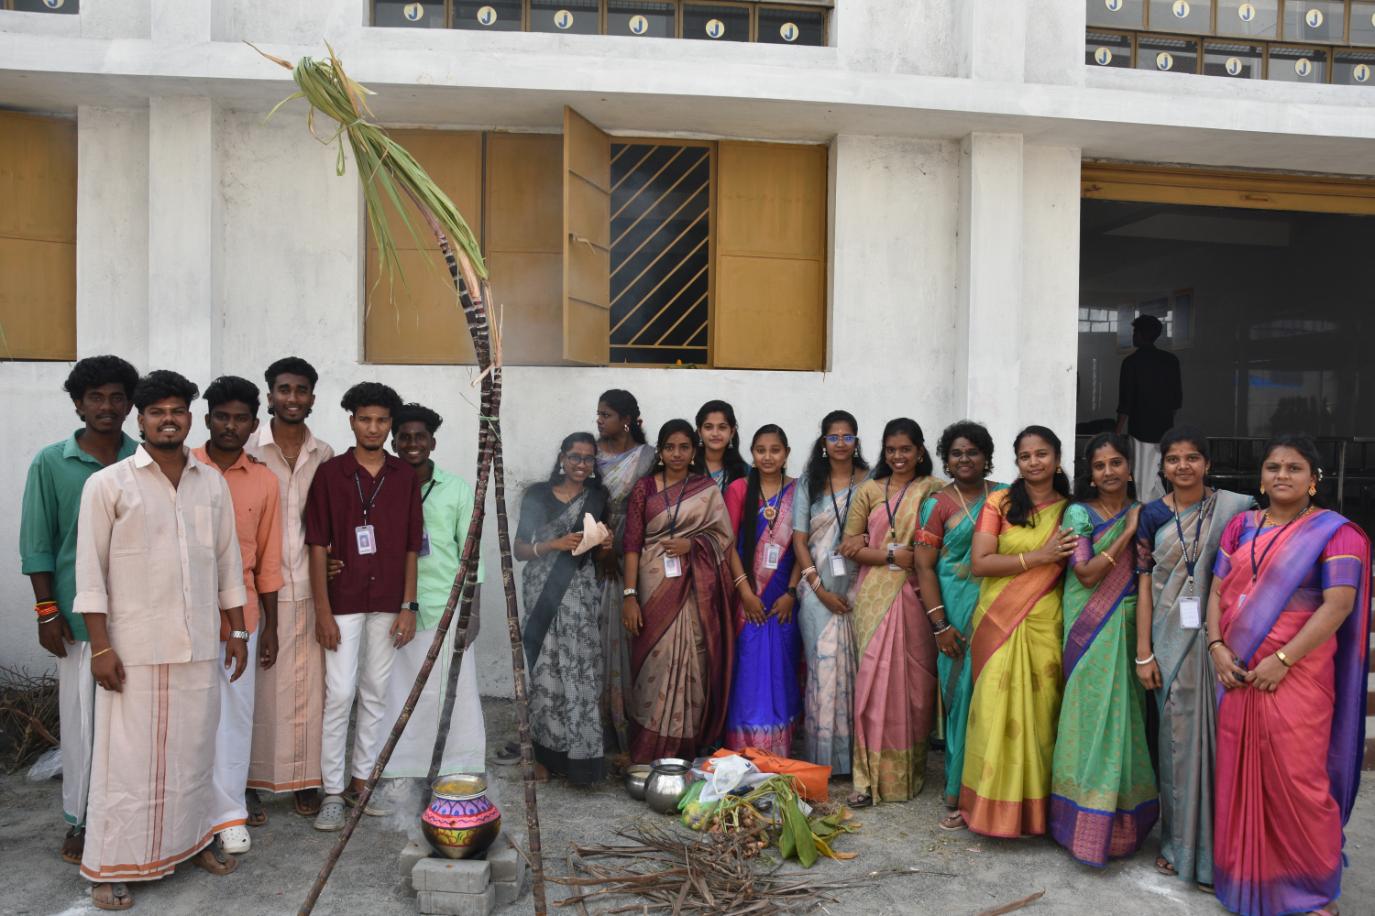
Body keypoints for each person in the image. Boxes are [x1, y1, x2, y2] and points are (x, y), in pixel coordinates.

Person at [75, 370, 249, 909]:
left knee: (193, 754)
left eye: (177, 410)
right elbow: (90, 574)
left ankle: (191, 840)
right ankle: (110, 865)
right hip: (133, 650)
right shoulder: (108, 485)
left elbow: (228, 563)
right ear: (140, 419)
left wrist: (238, 629)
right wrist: (101, 647)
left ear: (189, 418)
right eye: (157, 412)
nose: (168, 419)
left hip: (198, 644)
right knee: (125, 763)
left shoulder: (210, 482)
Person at [1208, 435, 1368, 916]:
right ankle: (1245, 879)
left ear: (1313, 481)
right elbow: (1216, 593)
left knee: (1300, 781)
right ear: (1261, 477)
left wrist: (1282, 661)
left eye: (1295, 468)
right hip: (1237, 671)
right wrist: (1215, 646)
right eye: (1274, 467)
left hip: (1297, 674)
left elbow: (1338, 606)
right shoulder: (1240, 526)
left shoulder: (1337, 532)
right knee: (1240, 777)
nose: (1282, 475)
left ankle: (1314, 891)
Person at [19, 355, 138, 865]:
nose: (106, 407)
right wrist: (47, 611)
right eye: (96, 398)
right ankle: (80, 822)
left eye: (116, 397)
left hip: (138, 617)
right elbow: (38, 542)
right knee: (84, 725)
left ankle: (130, 818)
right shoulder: (53, 461)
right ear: (77, 403)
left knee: (132, 729)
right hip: (75, 618)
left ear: (131, 404)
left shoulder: (146, 457)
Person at [1134, 426, 1254, 887]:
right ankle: (1178, 846)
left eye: (1192, 458)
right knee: (1178, 746)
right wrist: (1144, 652)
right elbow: (1144, 582)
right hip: (1170, 642)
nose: (1183, 466)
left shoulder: (1237, 510)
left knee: (1225, 747)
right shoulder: (1150, 516)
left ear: (1207, 463)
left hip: (1225, 642)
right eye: (1173, 459)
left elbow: (1249, 574)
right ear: (1162, 467)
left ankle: (1227, 848)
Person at [305, 382, 423, 831]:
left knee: (376, 691)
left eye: (381, 420)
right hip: (344, 600)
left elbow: (413, 546)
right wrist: (321, 610)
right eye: (364, 419)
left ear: (390, 425)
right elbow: (317, 544)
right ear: (351, 420)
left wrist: (409, 605)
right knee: (339, 694)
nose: (373, 428)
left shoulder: (404, 477)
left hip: (389, 599)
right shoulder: (331, 473)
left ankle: (363, 781)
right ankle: (332, 790)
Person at [958, 425, 1075, 837]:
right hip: (997, 620)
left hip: (1045, 619)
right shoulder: (1000, 502)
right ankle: (986, 808)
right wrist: (1038, 556)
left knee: (1042, 717)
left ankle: (1036, 814)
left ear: (1057, 459)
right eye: (1025, 456)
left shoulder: (1071, 510)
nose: (1034, 462)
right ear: (1018, 462)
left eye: (1042, 454)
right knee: (990, 714)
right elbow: (980, 563)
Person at [1048, 433, 1157, 866]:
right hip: (1088, 626)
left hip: (1130, 624)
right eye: (1099, 465)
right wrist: (1126, 533)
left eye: (1116, 463)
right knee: (1089, 716)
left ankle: (1123, 827)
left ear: (1130, 467)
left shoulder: (1145, 511)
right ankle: (1081, 825)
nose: (1108, 472)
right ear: (1089, 473)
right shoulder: (1078, 513)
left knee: (1126, 720)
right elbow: (1088, 574)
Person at [192, 376, 283, 855]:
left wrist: (267, 628)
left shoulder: (264, 480)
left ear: (254, 424)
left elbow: (267, 561)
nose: (230, 426)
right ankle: (186, 813)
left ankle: (228, 814)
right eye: (222, 417)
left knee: (234, 717)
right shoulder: (183, 468)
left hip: (241, 620)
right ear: (207, 419)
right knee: (188, 717)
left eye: (240, 418)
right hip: (183, 617)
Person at [245, 356, 334, 818]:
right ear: (270, 395)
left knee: (307, 687)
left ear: (312, 398)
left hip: (310, 586)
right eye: (284, 389)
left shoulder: (326, 454)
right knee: (256, 687)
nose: (292, 398)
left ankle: (303, 778)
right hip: (256, 589)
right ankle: (249, 779)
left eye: (301, 390)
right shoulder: (247, 450)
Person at [379, 403, 486, 788]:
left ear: (432, 442)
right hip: (393, 608)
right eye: (404, 437)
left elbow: (470, 553)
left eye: (419, 437)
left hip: (445, 606)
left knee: (454, 691)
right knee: (398, 693)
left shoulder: (455, 488)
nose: (411, 444)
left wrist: (471, 612)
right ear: (393, 442)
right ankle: (401, 769)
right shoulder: (383, 485)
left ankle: (458, 764)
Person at [839, 418, 943, 807]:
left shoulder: (933, 490)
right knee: (872, 684)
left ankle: (907, 776)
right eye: (891, 450)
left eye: (905, 449)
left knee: (913, 688)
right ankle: (865, 780)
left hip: (918, 595)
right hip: (874, 595)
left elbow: (947, 538)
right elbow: (849, 546)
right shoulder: (868, 490)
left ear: (919, 450)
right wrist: (889, 554)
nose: (898, 456)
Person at [621, 419, 735, 763]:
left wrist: (693, 544)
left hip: (693, 591)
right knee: (652, 666)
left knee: (692, 662)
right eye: (670, 447)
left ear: (694, 451)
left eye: (684, 447)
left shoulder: (706, 489)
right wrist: (629, 596)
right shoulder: (645, 488)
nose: (676, 453)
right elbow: (631, 543)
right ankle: (645, 749)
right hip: (652, 587)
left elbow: (722, 538)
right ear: (660, 451)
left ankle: (682, 750)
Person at [913, 420, 1006, 823]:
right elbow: (924, 566)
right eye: (956, 453)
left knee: (994, 699)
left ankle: (994, 789)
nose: (964, 459)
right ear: (946, 460)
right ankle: (958, 787)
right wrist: (940, 625)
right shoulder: (937, 504)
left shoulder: (1004, 497)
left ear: (986, 456)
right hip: (952, 613)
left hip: (999, 609)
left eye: (972, 452)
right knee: (958, 702)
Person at [515, 432, 608, 783]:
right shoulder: (537, 495)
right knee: (543, 673)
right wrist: (554, 543)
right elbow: (521, 548)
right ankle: (542, 756)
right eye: (574, 457)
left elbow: (600, 554)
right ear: (562, 457)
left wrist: (606, 543)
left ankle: (580, 760)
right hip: (542, 592)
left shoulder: (597, 497)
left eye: (587, 459)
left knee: (580, 671)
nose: (581, 464)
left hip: (580, 593)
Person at [792, 411, 868, 775]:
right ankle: (823, 760)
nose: (840, 443)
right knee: (822, 673)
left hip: (858, 588)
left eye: (847, 437)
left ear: (856, 441)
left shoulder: (870, 481)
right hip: (816, 592)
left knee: (855, 672)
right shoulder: (810, 482)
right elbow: (799, 539)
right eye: (833, 437)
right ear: (823, 442)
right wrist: (818, 589)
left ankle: (853, 758)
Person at [724, 425, 803, 756]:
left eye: (775, 450)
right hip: (749, 596)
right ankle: (744, 749)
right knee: (748, 670)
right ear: (752, 454)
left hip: (783, 598)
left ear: (786, 453)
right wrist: (744, 592)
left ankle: (778, 748)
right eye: (760, 450)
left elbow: (803, 544)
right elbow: (727, 544)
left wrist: (792, 592)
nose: (768, 456)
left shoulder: (800, 490)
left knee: (781, 669)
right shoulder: (740, 488)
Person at [592, 389, 657, 756]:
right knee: (596, 643)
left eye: (606, 415)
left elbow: (651, 507)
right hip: (591, 561)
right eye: (598, 414)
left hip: (634, 559)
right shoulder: (591, 454)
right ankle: (597, 729)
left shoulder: (647, 459)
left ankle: (631, 729)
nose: (600, 420)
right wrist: (599, 547)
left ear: (627, 419)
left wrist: (621, 550)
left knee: (631, 641)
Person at [1115, 314, 1182, 503]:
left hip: (1140, 431)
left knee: (1143, 482)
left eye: (1135, 332)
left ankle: (1148, 518)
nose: (1134, 336)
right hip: (1165, 430)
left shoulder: (1131, 363)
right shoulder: (1171, 361)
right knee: (1156, 476)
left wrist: (1116, 432)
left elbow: (1125, 404)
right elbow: (1176, 402)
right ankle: (1164, 510)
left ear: (1142, 334)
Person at [694, 399, 749, 492]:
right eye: (708, 427)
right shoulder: (688, 467)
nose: (715, 433)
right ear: (700, 432)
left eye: (722, 427)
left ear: (732, 432)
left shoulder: (745, 471)